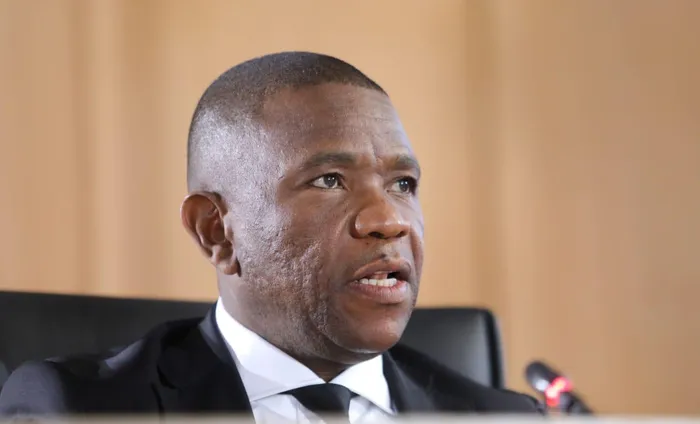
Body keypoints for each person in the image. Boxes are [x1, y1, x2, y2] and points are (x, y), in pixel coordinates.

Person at [0, 52, 542, 421]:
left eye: (403, 183)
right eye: (329, 180)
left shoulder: (502, 418)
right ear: (217, 231)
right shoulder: (86, 409)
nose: (388, 219)